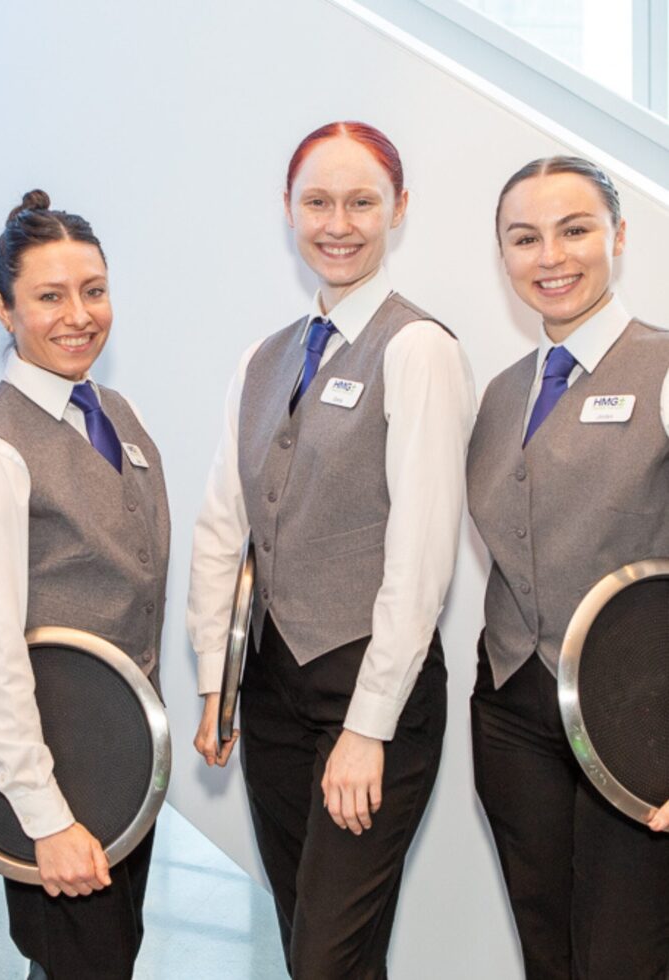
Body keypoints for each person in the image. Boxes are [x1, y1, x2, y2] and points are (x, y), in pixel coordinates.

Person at [187, 121, 476, 978]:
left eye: (361, 202)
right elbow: (221, 525)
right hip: (273, 690)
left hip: (371, 690)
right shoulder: (261, 359)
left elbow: (422, 555)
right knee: (309, 940)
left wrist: (368, 725)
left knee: (327, 958)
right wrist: (217, 680)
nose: (338, 222)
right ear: (288, 210)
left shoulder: (419, 348)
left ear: (398, 212)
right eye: (317, 202)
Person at [0, 190, 170, 980]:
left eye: (93, 291)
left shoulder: (116, 414)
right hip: (57, 778)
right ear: (3, 308)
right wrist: (45, 816)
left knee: (104, 963)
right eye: (49, 296)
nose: (79, 315)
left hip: (122, 762)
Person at [468, 155, 669, 979]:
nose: (551, 256)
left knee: (626, 957)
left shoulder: (661, 367)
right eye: (525, 238)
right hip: (514, 712)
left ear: (618, 237)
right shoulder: (501, 392)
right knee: (546, 948)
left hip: (642, 717)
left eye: (575, 229)